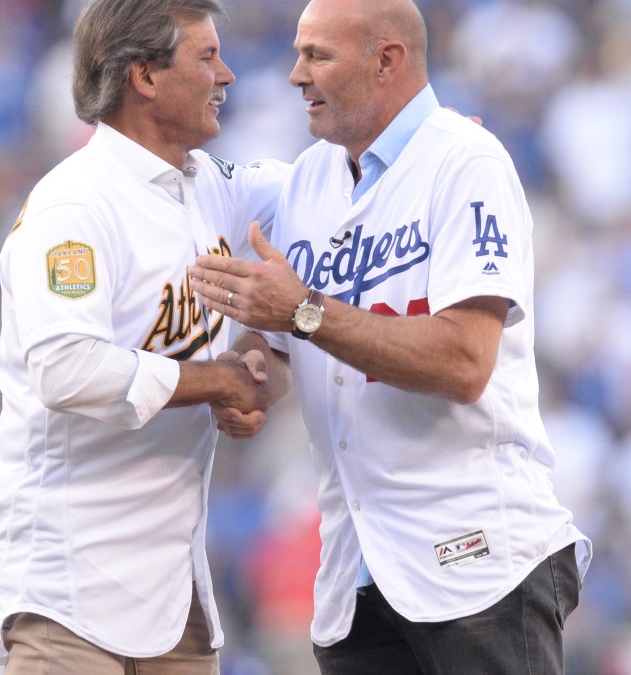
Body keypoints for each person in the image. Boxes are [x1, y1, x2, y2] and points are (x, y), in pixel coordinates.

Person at [188, 0, 591, 672]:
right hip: (358, 575)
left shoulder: (467, 162)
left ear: (386, 61)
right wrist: (245, 377)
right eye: (297, 53)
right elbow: (284, 347)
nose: (295, 75)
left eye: (317, 55)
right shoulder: (309, 178)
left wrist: (303, 311)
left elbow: (465, 360)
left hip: (476, 560)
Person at [0, 0, 288, 671]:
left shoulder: (210, 187)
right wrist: (220, 380)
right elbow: (66, 368)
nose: (227, 74)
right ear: (144, 75)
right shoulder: (75, 205)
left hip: (174, 590)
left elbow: (324, 196)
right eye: (206, 57)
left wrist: (425, 155)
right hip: (68, 590)